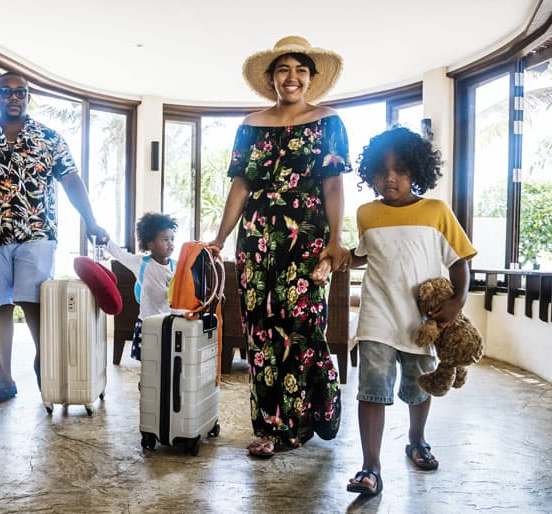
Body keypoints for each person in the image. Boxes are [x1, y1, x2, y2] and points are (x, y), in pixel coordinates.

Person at [209, 35, 352, 459]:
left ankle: (309, 413)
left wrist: (335, 239)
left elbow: (332, 183)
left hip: (305, 240)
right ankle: (269, 428)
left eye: (300, 70)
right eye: (283, 69)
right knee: (260, 331)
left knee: (303, 327)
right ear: (271, 77)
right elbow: (241, 184)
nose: (292, 77)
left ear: (311, 78)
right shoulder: (250, 124)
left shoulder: (329, 121)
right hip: (255, 240)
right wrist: (220, 237)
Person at [0, 71, 106, 406]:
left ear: (28, 96)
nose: (14, 97)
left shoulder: (50, 138)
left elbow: (72, 181)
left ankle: (43, 361)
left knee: (33, 300)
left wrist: (90, 221)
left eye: (21, 92)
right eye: (7, 91)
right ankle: (5, 380)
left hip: (37, 233)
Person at [344, 126, 477, 496]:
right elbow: (366, 254)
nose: (391, 178)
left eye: (401, 170)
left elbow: (460, 260)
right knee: (370, 390)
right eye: (382, 171)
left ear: (416, 171)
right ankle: (371, 467)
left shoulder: (436, 211)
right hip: (377, 316)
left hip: (421, 321)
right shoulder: (366, 213)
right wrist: (341, 257)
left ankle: (417, 440)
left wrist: (456, 303)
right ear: (370, 174)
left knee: (420, 387)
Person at [105, 212, 177, 360]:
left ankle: (164, 384)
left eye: (172, 239)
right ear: (151, 244)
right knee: (149, 365)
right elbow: (120, 255)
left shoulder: (176, 266)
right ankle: (146, 384)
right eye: (165, 239)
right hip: (148, 324)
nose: (170, 243)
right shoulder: (142, 263)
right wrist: (105, 240)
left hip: (170, 325)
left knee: (168, 362)